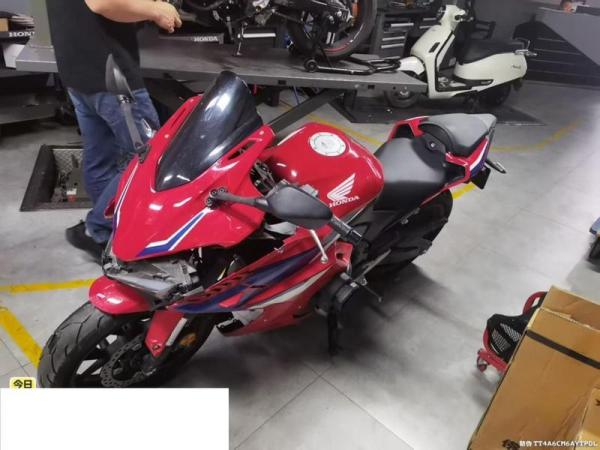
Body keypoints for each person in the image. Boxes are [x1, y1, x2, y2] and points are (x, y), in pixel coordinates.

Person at [47, 0, 182, 261]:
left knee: (101, 156)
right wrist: (156, 10)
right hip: (111, 75)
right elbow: (104, 3)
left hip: (78, 70)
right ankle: (98, 227)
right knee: (149, 158)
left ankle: (108, 235)